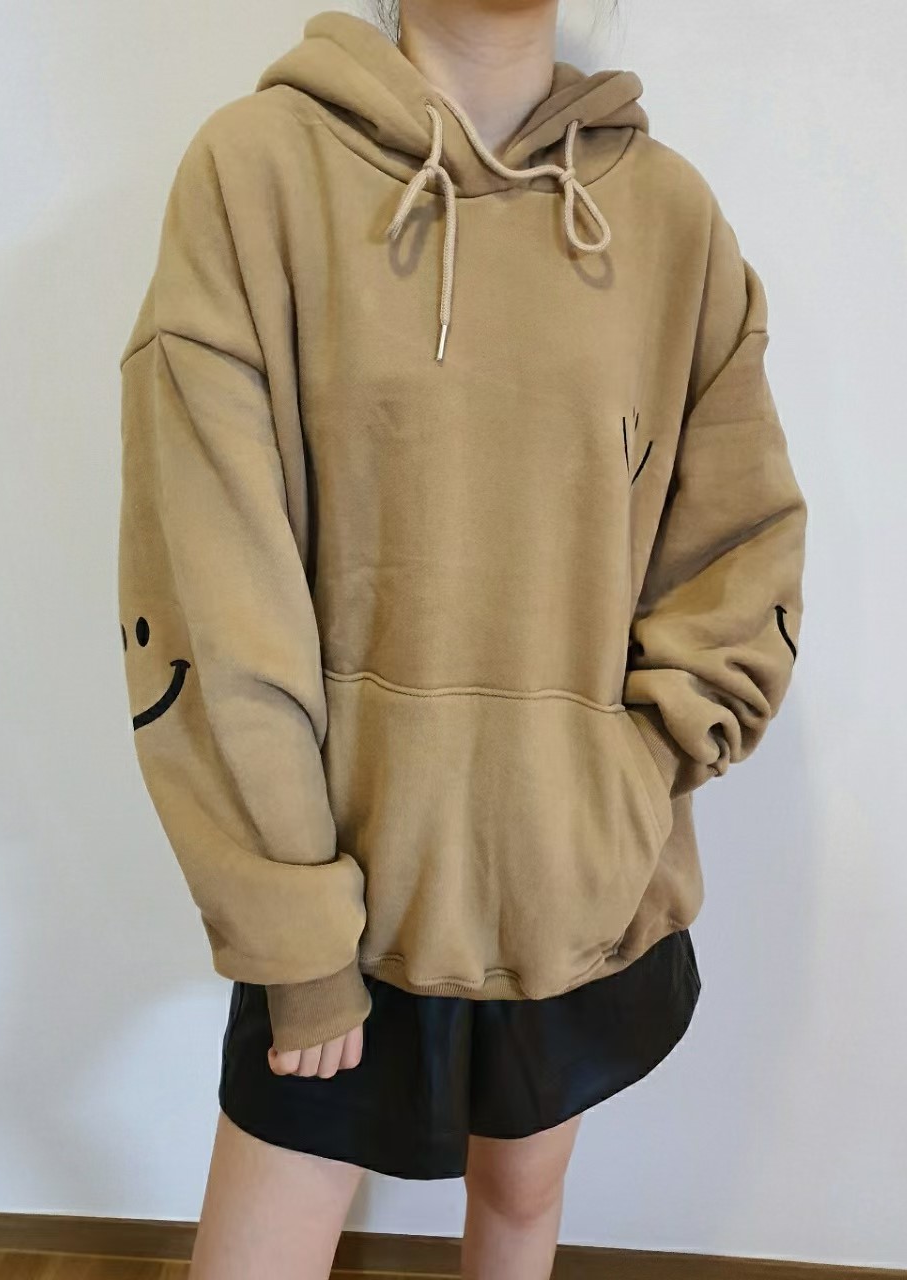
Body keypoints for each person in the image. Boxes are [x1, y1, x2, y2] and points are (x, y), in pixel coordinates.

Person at [117, 1, 807, 1276]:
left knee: (523, 1203)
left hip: (578, 876)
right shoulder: (257, 174)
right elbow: (213, 587)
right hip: (341, 880)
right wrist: (292, 924)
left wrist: (623, 774)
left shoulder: (667, 217)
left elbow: (740, 538)